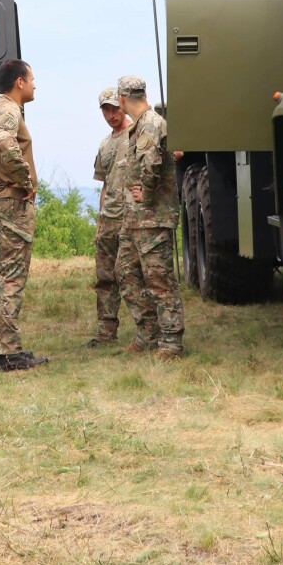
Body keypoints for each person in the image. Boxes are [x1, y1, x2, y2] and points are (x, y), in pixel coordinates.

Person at [0, 58, 48, 372]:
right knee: (11, 277)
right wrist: (26, 181)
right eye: (32, 78)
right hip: (9, 203)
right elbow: (6, 145)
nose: (35, 84)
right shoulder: (8, 110)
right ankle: (7, 352)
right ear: (19, 81)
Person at [114, 74, 185, 358]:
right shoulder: (143, 124)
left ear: (121, 99)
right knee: (126, 272)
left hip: (152, 217)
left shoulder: (150, 124)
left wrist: (145, 190)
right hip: (137, 218)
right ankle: (149, 331)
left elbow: (151, 162)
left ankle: (170, 341)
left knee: (159, 279)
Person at [88, 87, 130, 347]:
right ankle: (106, 332)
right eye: (106, 110)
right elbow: (104, 184)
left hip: (132, 219)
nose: (111, 114)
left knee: (133, 277)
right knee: (105, 278)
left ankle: (148, 330)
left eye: (115, 108)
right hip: (109, 219)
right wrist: (101, 218)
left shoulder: (137, 134)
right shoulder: (105, 144)